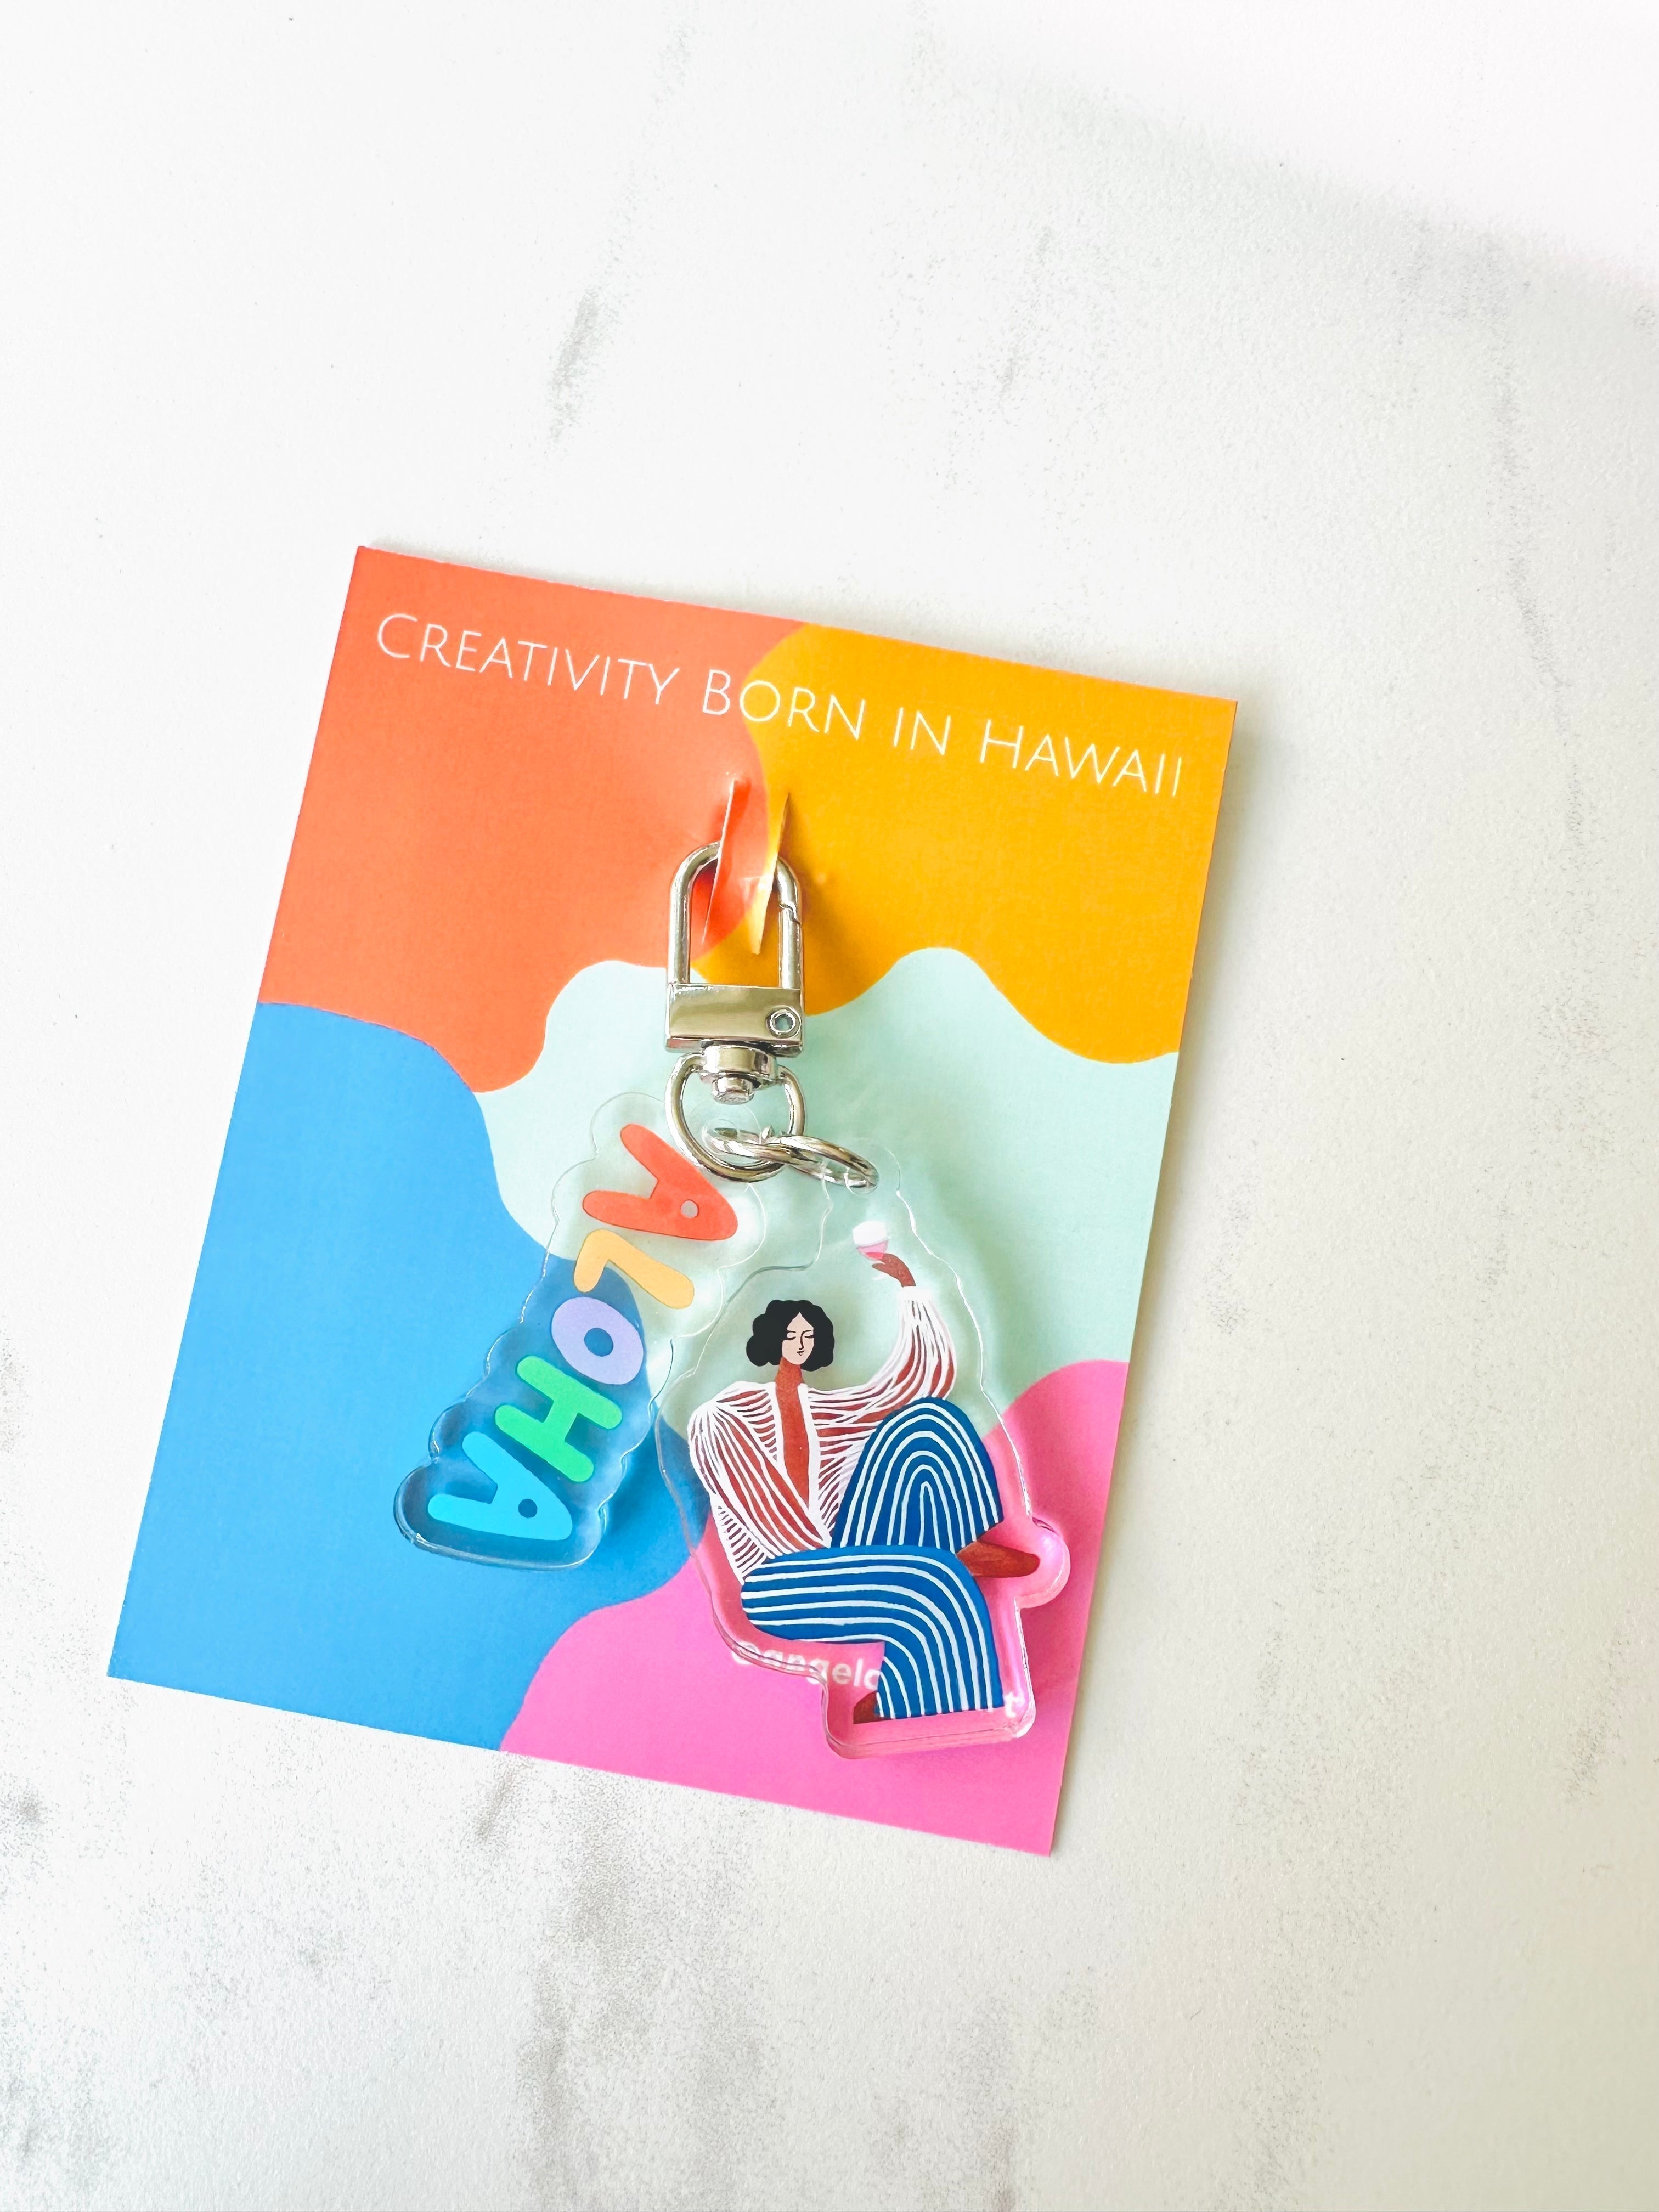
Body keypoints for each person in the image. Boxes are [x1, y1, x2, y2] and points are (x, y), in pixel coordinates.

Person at [685, 1249, 1036, 1723]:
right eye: (791, 1335)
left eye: (808, 1335)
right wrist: (847, 1561)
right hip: (780, 1581)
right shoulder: (723, 1417)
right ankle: (915, 1699)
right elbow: (760, 1507)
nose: (801, 1342)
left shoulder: (829, 1410)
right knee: (929, 1579)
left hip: (843, 1553)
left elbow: (914, 1383)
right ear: (773, 1338)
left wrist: (910, 1290)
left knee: (928, 1424)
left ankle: (961, 1545)